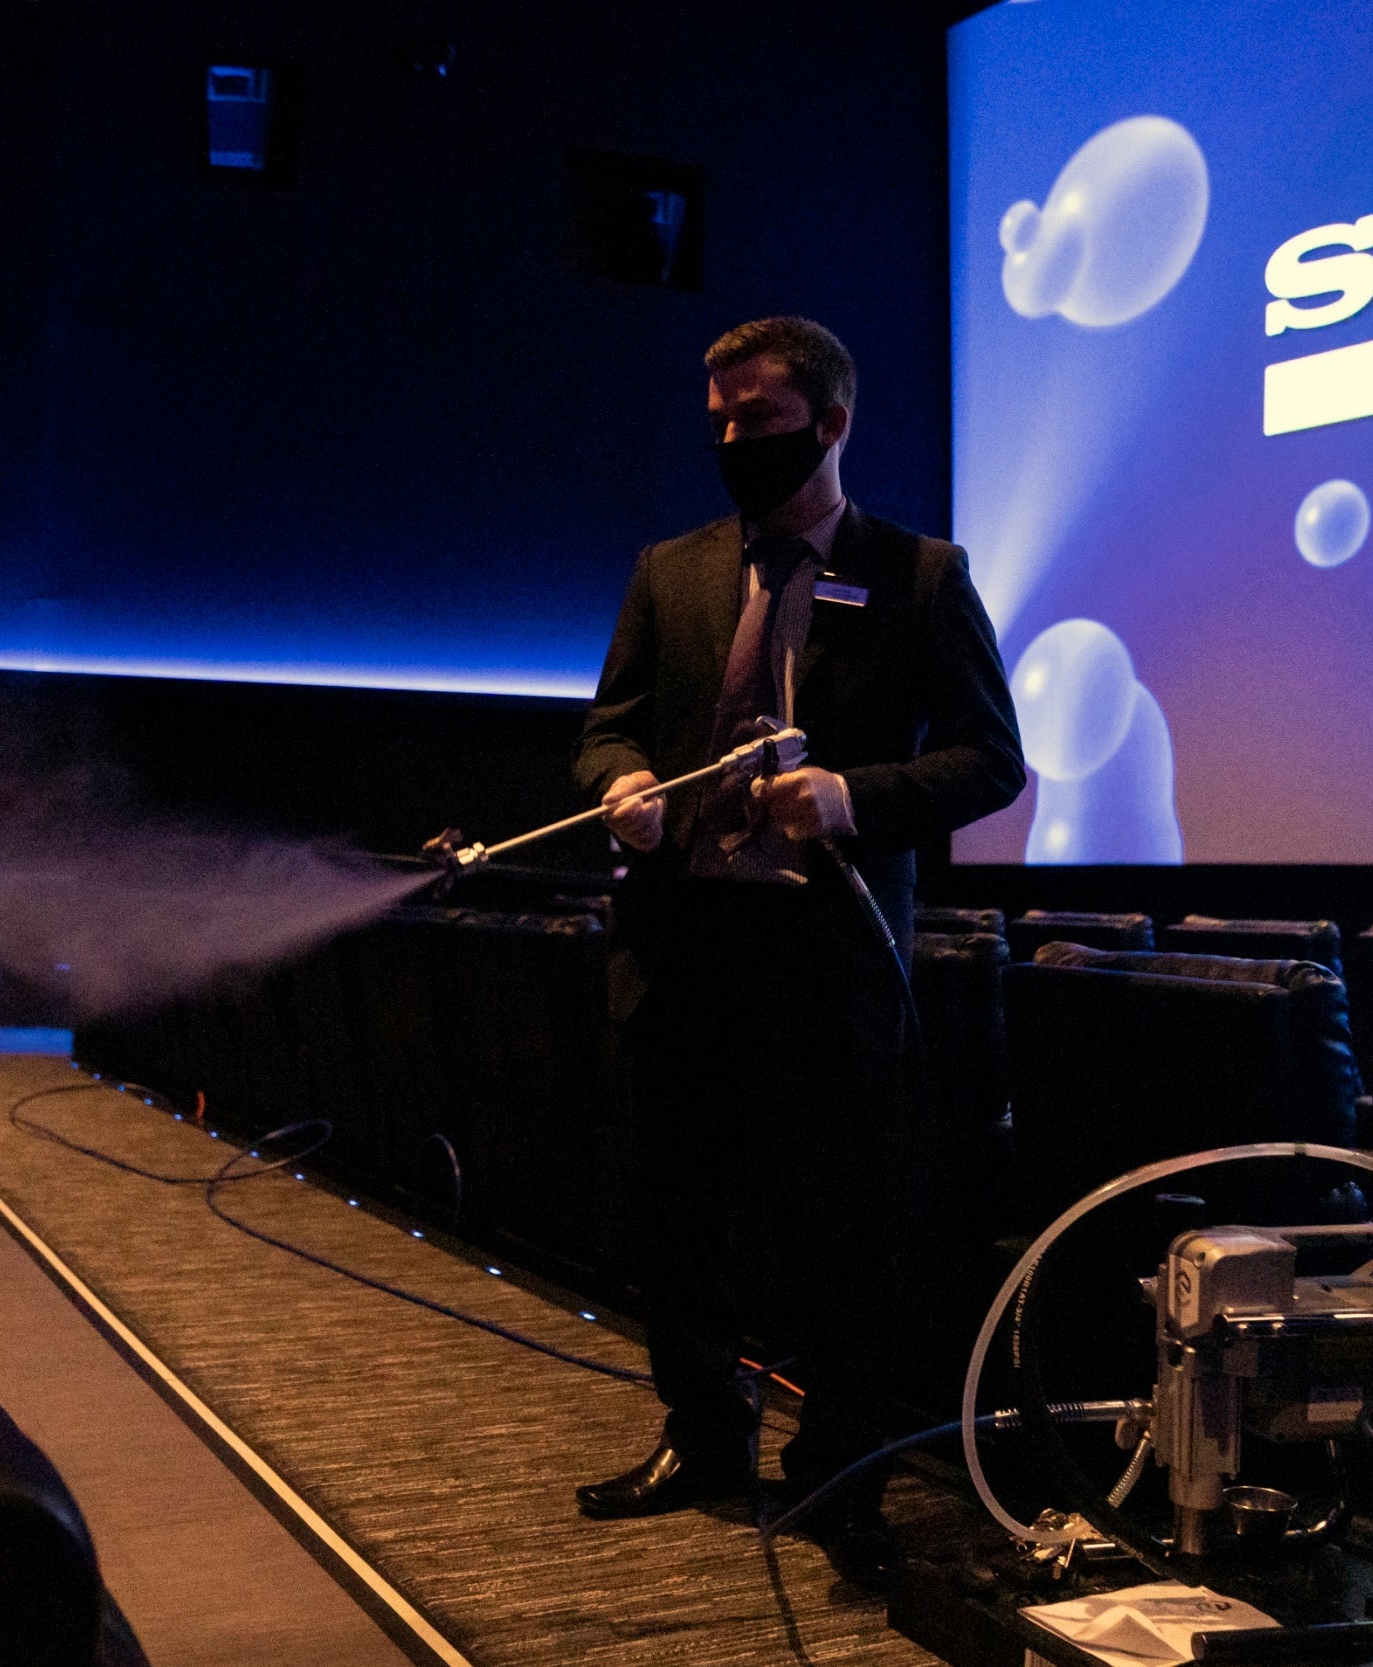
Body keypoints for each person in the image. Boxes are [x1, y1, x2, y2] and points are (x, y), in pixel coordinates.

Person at [570, 317, 1024, 1558]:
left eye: (755, 420)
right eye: (715, 419)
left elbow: (991, 759)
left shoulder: (919, 574)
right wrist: (622, 786)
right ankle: (703, 1434)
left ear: (828, 423)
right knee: (680, 1207)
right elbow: (606, 726)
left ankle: (837, 1472)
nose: (728, 440)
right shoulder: (670, 570)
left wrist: (852, 797)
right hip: (680, 939)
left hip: (827, 948)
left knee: (840, 1222)